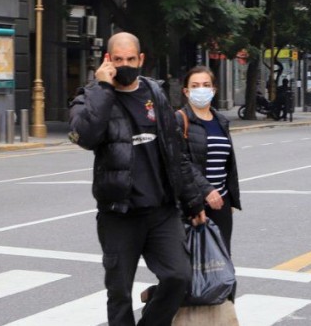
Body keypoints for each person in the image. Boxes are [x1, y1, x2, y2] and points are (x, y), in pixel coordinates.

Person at [68, 32, 211, 326]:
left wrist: (193, 200)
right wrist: (103, 88)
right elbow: (86, 136)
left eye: (131, 59)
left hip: (161, 211)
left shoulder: (155, 95)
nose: (125, 64)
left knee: (178, 277)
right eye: (118, 59)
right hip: (119, 214)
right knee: (119, 292)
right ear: (108, 60)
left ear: (141, 59)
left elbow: (175, 153)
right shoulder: (91, 96)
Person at [177, 66, 241, 252]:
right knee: (191, 266)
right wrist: (205, 192)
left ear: (213, 90)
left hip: (220, 201)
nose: (201, 89)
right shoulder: (180, 120)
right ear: (186, 91)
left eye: (206, 85)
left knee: (221, 264)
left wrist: (229, 198)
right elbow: (181, 162)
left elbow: (227, 163)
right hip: (192, 202)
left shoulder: (221, 121)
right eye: (195, 86)